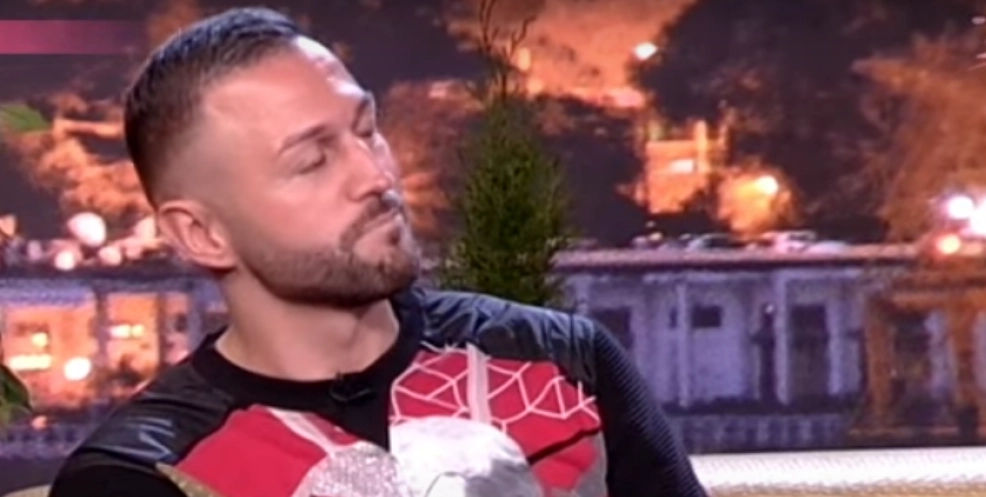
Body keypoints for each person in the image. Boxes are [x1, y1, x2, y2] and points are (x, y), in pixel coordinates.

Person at [49, 7, 707, 497]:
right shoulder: (143, 474)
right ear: (201, 233)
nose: (374, 175)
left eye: (367, 131)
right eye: (312, 161)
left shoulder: (563, 363)